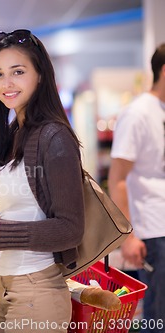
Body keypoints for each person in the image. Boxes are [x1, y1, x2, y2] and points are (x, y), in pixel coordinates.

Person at [0, 30, 85, 333]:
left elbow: (70, 229)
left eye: (18, 72)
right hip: (3, 289)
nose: (6, 84)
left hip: (36, 290)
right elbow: (20, 211)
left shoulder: (55, 137)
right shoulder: (12, 134)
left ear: (40, 76)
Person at [108, 43, 165, 333]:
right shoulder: (138, 113)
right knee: (158, 318)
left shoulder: (159, 110)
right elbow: (118, 177)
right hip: (153, 232)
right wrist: (128, 236)